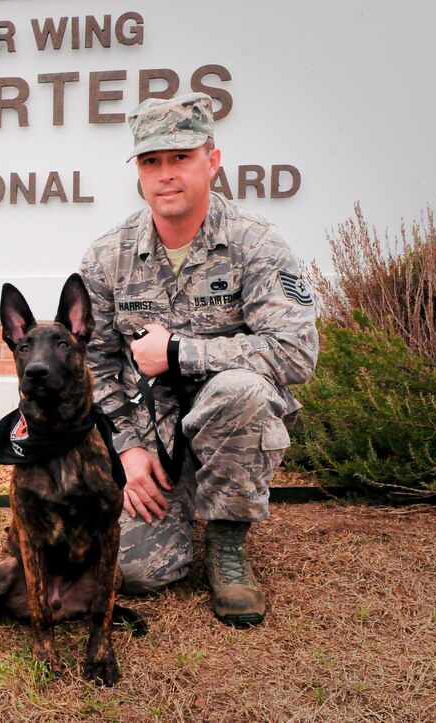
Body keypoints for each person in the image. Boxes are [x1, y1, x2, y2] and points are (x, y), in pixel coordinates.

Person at [78, 92, 318, 626]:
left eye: (180, 157)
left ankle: (227, 545)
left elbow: (295, 354)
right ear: (138, 172)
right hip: (150, 434)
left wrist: (179, 353)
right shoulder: (106, 255)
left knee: (244, 391)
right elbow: (92, 363)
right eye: (151, 161)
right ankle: (176, 499)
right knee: (138, 572)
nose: (166, 174)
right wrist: (127, 450)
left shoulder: (255, 244)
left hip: (225, 424)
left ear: (212, 161)